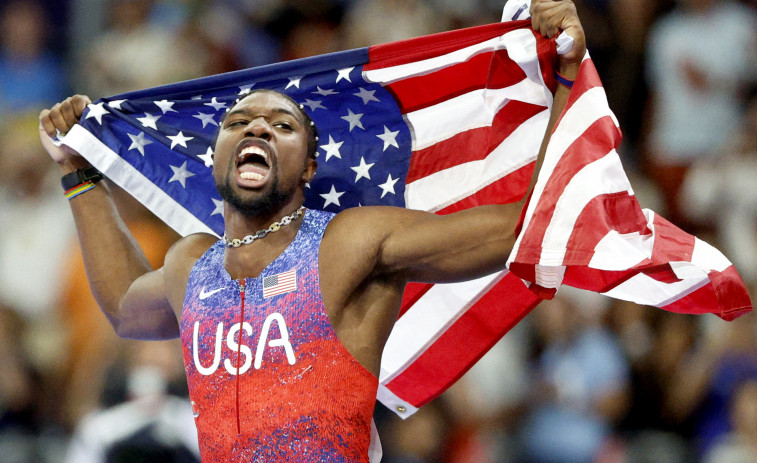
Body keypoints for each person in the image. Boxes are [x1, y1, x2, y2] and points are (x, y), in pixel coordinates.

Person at [38, 1, 586, 460]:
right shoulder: (193, 262)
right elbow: (126, 308)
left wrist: (566, 79)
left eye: (282, 126)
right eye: (238, 122)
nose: (257, 126)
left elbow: (523, 225)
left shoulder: (347, 242)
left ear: (307, 169)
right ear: (214, 161)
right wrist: (76, 171)